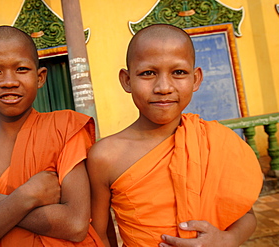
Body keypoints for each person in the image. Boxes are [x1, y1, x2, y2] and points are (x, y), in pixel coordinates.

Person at [87, 24, 263, 247]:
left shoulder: (216, 142)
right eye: (148, 73)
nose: (164, 87)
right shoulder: (105, 156)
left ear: (196, 78)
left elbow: (246, 215)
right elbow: (98, 234)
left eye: (178, 72)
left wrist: (228, 239)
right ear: (127, 80)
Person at [0, 25, 103, 247]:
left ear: (40, 77)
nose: (9, 81)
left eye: (21, 69)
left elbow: (75, 225)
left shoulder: (65, 128)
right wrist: (26, 197)